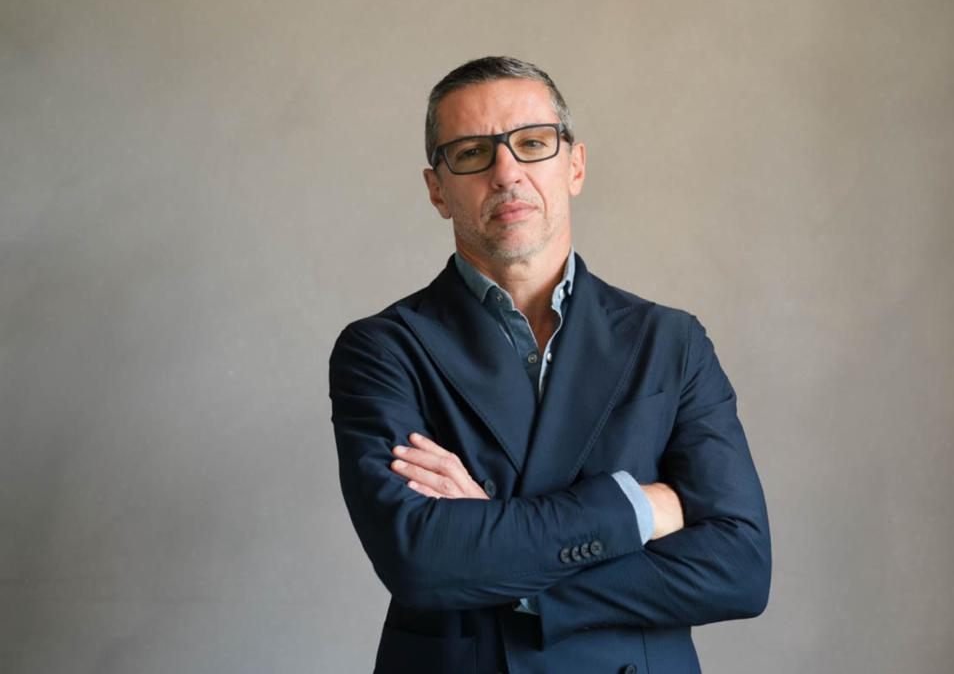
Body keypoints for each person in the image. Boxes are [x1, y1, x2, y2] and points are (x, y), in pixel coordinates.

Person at [329, 56, 770, 674]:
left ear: (575, 166)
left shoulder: (671, 341)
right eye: (472, 153)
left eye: (532, 144)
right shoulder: (383, 350)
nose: (506, 172)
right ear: (437, 190)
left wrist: (499, 555)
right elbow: (422, 562)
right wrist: (637, 510)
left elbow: (739, 569)